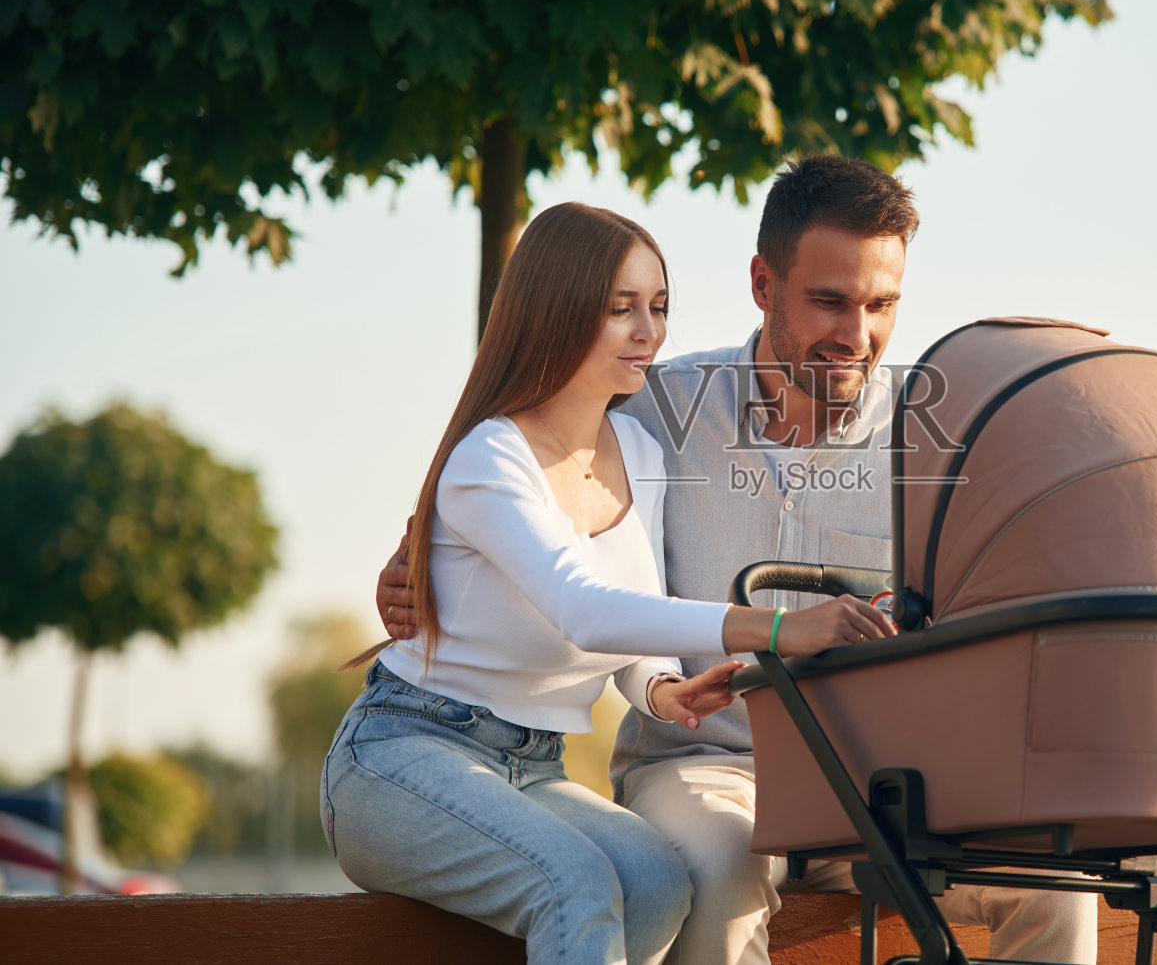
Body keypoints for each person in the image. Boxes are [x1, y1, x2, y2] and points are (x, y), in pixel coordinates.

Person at [377, 159, 1099, 964]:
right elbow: (514, 470)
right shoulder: (646, 406)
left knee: (1054, 881)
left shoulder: (932, 444)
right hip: (702, 765)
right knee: (718, 863)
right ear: (763, 282)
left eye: (881, 304)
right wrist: (410, 561)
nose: (856, 336)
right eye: (829, 300)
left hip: (887, 781)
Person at [324, 201, 894, 965]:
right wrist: (780, 630)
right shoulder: (491, 456)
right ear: (555, 311)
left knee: (659, 881)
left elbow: (634, 624)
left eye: (658, 307)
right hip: (407, 747)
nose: (649, 332)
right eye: (621, 308)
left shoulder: (638, 443)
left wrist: (663, 691)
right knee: (577, 884)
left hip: (534, 765)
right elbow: (583, 608)